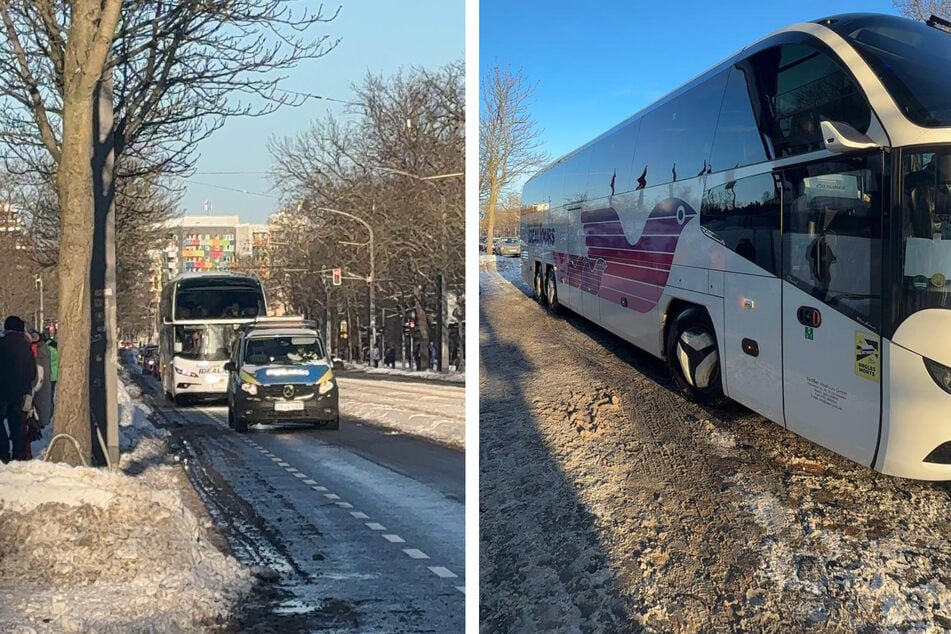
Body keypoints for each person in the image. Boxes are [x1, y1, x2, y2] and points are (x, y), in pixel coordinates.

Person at [0, 316, 37, 462]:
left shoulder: (2, 344)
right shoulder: (25, 348)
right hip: (19, 392)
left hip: (2, 390)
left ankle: (3, 452)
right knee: (16, 423)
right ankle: (19, 452)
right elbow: (32, 372)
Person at [47, 337, 58, 407]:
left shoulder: (48, 349)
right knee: (52, 392)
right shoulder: (56, 350)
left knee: (49, 394)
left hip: (49, 374)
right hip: (55, 375)